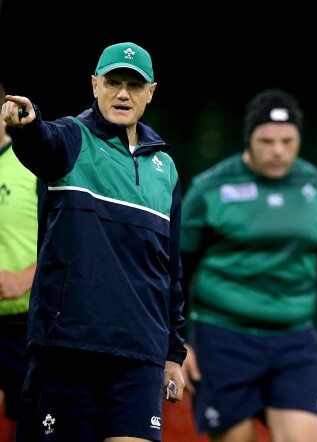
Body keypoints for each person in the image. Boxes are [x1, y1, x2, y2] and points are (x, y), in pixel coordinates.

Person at [1, 42, 187, 442]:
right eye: (113, 82)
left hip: (139, 355)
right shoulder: (71, 138)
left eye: (134, 86)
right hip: (68, 349)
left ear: (151, 92)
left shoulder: (165, 167)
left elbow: (170, 268)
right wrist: (28, 126)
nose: (123, 94)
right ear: (94, 85)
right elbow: (42, 141)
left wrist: (174, 353)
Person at [179, 88, 317, 442]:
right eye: (266, 140)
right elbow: (178, 272)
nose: (278, 150)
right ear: (249, 139)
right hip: (223, 337)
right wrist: (178, 342)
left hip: (293, 339)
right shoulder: (210, 189)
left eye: (287, 140)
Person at [0, 80, 38, 440]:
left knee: (27, 427)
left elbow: (66, 235)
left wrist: (26, 277)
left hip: (26, 325)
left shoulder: (31, 165)